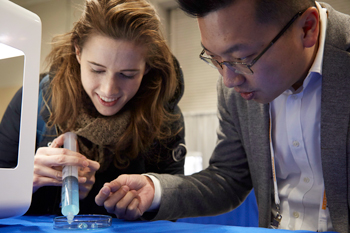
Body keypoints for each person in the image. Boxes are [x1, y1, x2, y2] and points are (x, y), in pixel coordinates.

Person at [94, 0, 350, 232]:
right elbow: (230, 177)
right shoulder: (236, 87)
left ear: (307, 28)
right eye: (215, 58)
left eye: (242, 58)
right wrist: (155, 190)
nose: (228, 80)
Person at [0, 0, 186, 216]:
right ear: (78, 51)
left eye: (127, 74)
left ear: (147, 67)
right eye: (97, 70)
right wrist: (23, 181)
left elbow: (174, 204)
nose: (108, 90)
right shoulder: (34, 98)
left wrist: (150, 202)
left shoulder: (163, 116)